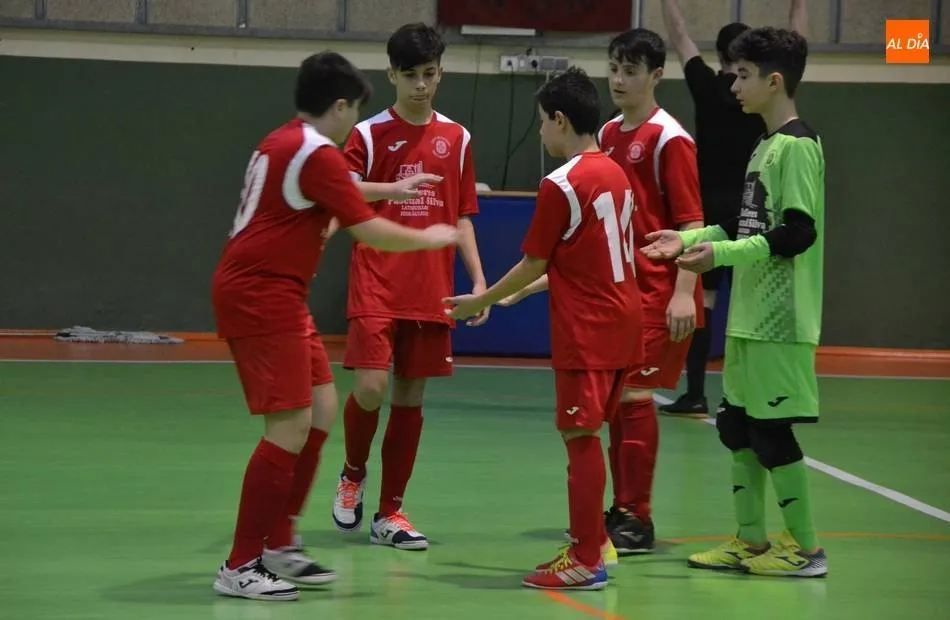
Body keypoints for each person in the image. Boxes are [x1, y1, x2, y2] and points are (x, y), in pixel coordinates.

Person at [210, 51, 459, 601]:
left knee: (322, 407)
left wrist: (388, 190)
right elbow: (367, 230)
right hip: (261, 295)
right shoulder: (318, 152)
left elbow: (338, 191)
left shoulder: (286, 141)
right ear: (340, 106)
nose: (354, 123)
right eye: (354, 111)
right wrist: (431, 237)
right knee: (288, 426)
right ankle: (241, 563)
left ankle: (280, 542)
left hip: (277, 293)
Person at [501, 27, 704, 556]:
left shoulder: (669, 139)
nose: (619, 79)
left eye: (630, 70)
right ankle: (617, 510)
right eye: (613, 68)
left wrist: (684, 291)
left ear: (656, 76)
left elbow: (692, 222)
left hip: (657, 292)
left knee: (634, 399)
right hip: (619, 291)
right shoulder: (607, 133)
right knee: (611, 407)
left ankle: (636, 516)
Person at [445, 67, 643, 590]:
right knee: (591, 434)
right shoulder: (616, 173)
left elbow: (534, 259)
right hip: (624, 323)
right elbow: (583, 260)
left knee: (580, 437)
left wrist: (481, 300)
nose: (539, 132)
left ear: (560, 119)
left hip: (589, 331)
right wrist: (525, 292)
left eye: (541, 122)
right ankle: (595, 545)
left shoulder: (562, 183)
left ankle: (585, 558)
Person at [641, 26, 828, 577]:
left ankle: (806, 550)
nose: (733, 85)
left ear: (774, 81)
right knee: (736, 428)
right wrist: (689, 240)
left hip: (781, 320)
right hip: (749, 319)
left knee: (771, 432)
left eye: (743, 75)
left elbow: (797, 233)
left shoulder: (797, 146)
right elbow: (744, 223)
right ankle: (750, 541)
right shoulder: (764, 144)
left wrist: (719, 255)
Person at [330, 22, 488, 551]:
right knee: (371, 388)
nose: (421, 84)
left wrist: (479, 279)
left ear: (440, 74)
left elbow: (462, 215)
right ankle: (353, 472)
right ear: (391, 75)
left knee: (410, 396)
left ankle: (390, 513)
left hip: (431, 288)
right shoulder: (368, 133)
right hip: (376, 279)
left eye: (429, 74)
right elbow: (342, 188)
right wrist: (394, 189)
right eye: (410, 75)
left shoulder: (457, 138)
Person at [658, 0, 808, 417]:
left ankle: (695, 393)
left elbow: (679, 35)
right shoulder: (762, 101)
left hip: (710, 209)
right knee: (753, 301)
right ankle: (759, 396)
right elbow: (797, 45)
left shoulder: (706, 87)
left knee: (703, 303)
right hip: (753, 207)